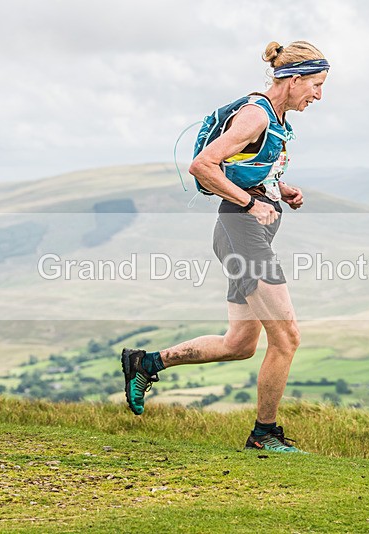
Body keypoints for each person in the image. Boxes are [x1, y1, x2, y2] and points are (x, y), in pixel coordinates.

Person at [121, 40, 329, 453]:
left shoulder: (275, 117)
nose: (319, 96)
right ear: (293, 79)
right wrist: (251, 204)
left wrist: (278, 189)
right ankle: (264, 435)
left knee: (239, 344)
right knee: (287, 338)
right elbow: (203, 165)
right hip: (242, 231)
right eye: (316, 84)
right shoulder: (256, 115)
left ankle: (147, 363)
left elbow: (243, 166)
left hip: (243, 232)